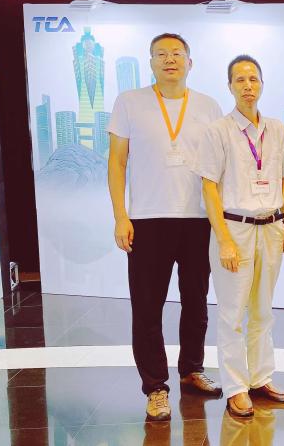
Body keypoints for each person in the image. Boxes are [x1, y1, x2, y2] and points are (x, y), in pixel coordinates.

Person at [107, 33, 224, 421]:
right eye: (161, 54)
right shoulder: (129, 102)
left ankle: (192, 369)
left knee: (196, 301)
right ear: (151, 62)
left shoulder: (208, 106)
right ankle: (155, 387)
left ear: (190, 62)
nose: (169, 59)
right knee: (147, 307)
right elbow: (117, 162)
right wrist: (120, 215)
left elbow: (218, 166)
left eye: (177, 54)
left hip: (198, 219)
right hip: (147, 219)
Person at [194, 55, 284, 417]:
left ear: (262, 84)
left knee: (263, 310)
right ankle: (236, 386)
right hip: (234, 229)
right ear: (230, 87)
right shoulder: (218, 131)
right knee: (233, 313)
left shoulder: (278, 130)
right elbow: (208, 187)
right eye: (240, 80)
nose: (247, 86)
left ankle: (260, 377)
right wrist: (223, 239)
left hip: (271, 227)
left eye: (253, 79)